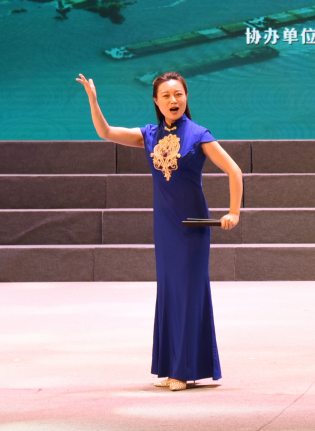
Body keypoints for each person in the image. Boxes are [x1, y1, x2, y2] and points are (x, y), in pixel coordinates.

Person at [76, 71, 243, 391]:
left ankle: (183, 370)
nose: (173, 100)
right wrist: (94, 102)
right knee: (169, 294)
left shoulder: (199, 134)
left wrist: (233, 212)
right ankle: (170, 366)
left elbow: (234, 171)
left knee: (188, 294)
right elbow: (106, 132)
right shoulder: (149, 135)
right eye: (166, 95)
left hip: (192, 226)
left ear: (186, 97)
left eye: (178, 94)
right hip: (165, 226)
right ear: (156, 101)